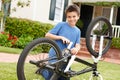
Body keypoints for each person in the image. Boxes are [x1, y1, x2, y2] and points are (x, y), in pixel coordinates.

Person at [43, 4, 81, 80]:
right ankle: (43, 71)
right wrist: (60, 37)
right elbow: (47, 35)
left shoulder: (78, 31)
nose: (71, 19)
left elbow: (78, 44)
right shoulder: (61, 25)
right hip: (54, 57)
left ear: (78, 16)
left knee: (65, 77)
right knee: (51, 77)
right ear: (66, 17)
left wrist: (76, 49)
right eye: (69, 17)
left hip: (66, 59)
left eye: (74, 16)